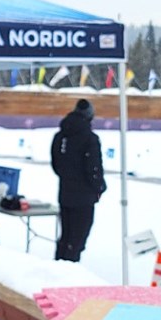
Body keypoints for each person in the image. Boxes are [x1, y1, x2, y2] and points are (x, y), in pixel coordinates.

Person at [50, 99, 107, 262]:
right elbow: (94, 168)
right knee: (77, 241)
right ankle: (67, 274)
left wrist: (68, 177)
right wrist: (99, 187)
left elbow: (56, 164)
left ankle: (58, 269)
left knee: (65, 238)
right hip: (84, 198)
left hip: (65, 193)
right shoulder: (90, 139)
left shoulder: (60, 136)